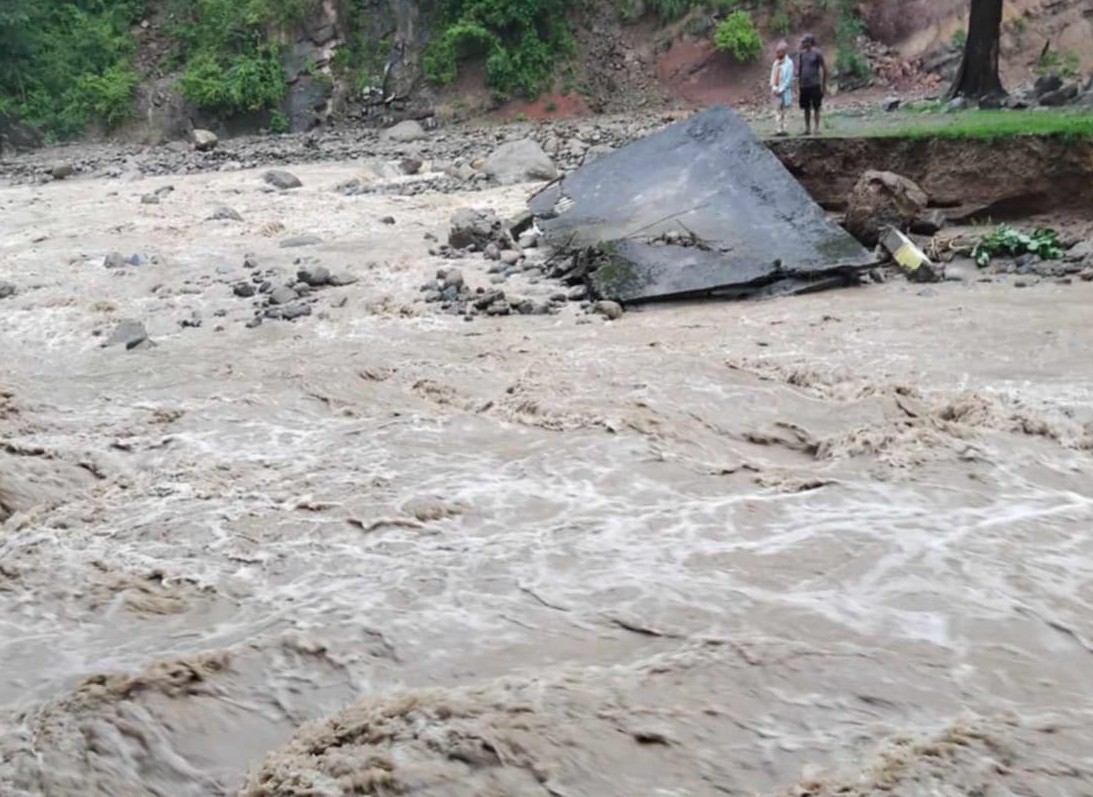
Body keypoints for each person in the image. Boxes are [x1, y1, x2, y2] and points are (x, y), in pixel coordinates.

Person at [796, 33, 827, 135]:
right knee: (806, 107)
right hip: (804, 85)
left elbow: (824, 68)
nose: (803, 44)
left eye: (805, 42)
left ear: (810, 42)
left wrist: (823, 84)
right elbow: (800, 69)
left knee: (816, 106)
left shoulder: (817, 53)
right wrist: (799, 82)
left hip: (815, 84)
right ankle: (807, 128)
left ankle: (816, 128)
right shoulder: (802, 54)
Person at [769, 41, 794, 137]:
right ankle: (778, 129)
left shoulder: (789, 63)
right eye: (776, 52)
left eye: (779, 52)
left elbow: (789, 79)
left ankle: (785, 129)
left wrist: (781, 89)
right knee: (777, 110)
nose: (777, 54)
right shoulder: (775, 63)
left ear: (784, 52)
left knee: (786, 111)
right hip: (776, 91)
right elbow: (772, 77)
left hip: (785, 91)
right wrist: (774, 88)